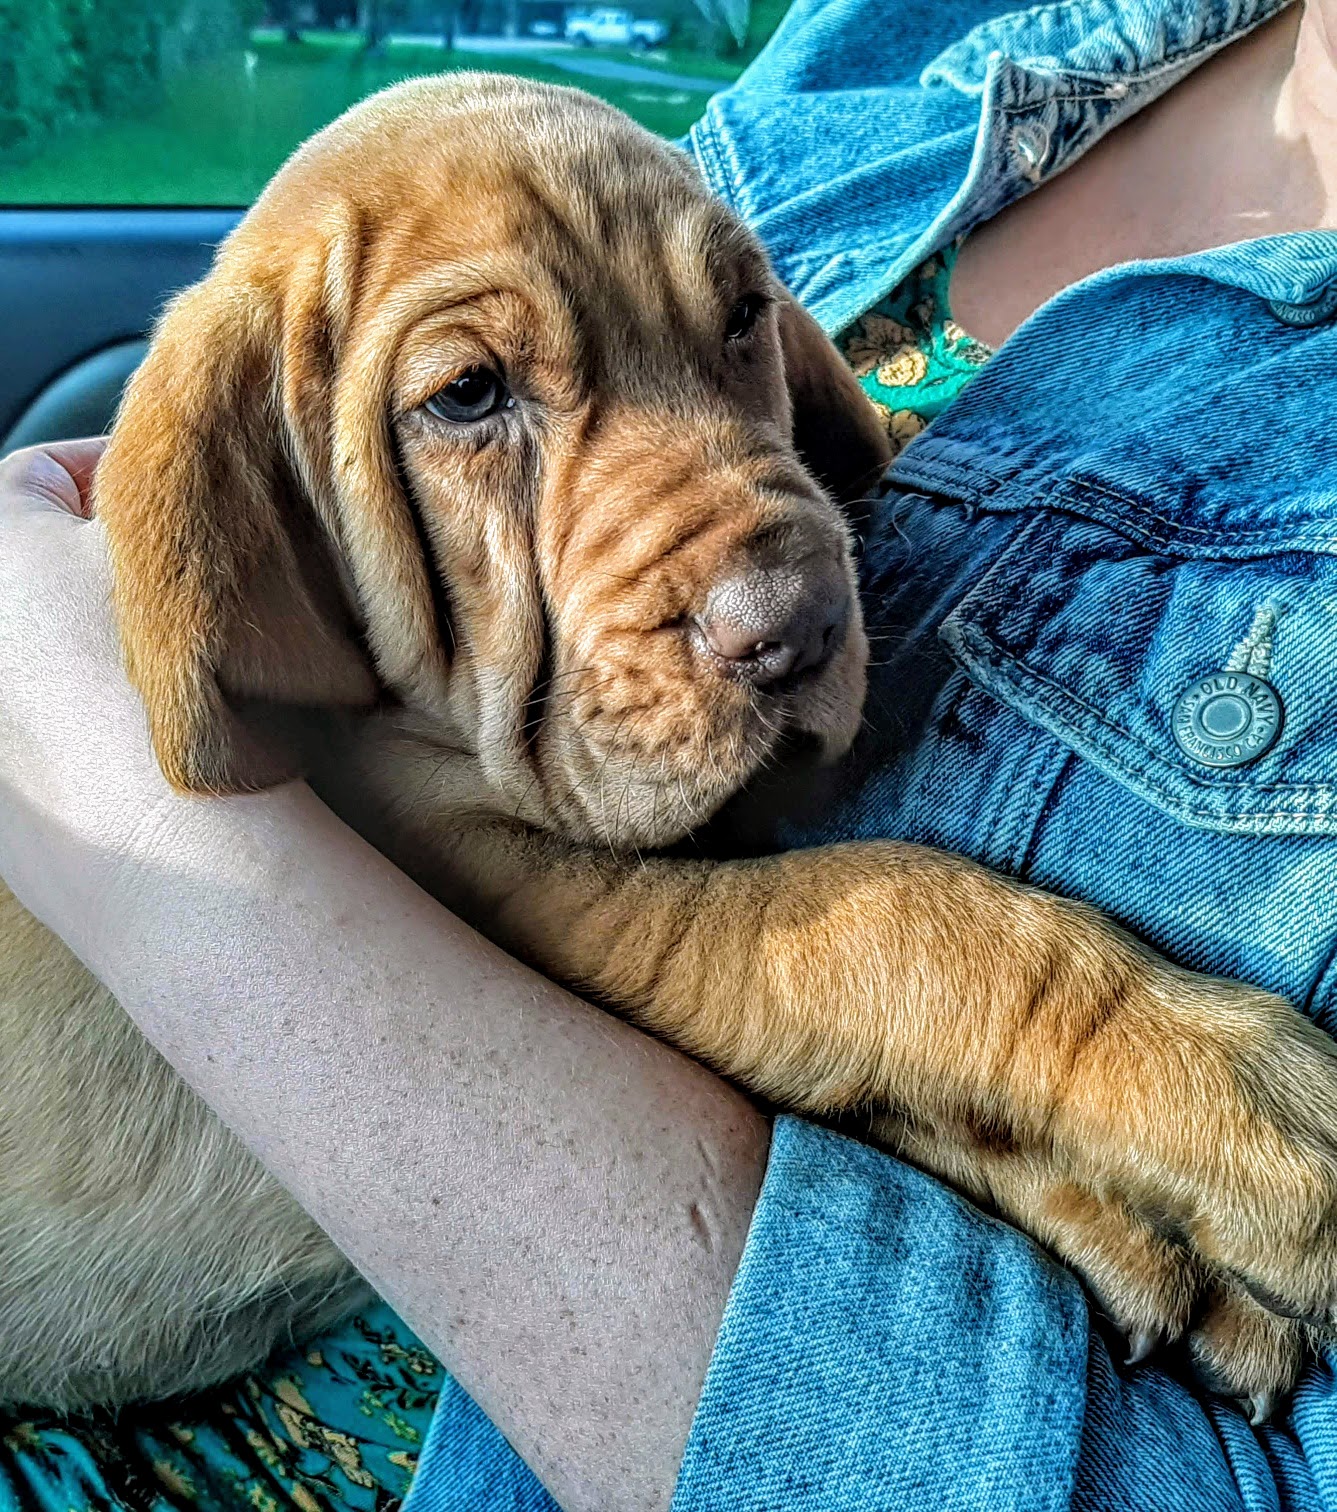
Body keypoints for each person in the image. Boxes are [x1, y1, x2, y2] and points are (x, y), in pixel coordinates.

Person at [2, 0, 1336, 1507]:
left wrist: (110, 794)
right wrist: (1045, 1033)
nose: (772, 590)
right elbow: (548, 915)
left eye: (733, 325)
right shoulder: (913, 41)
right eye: (471, 393)